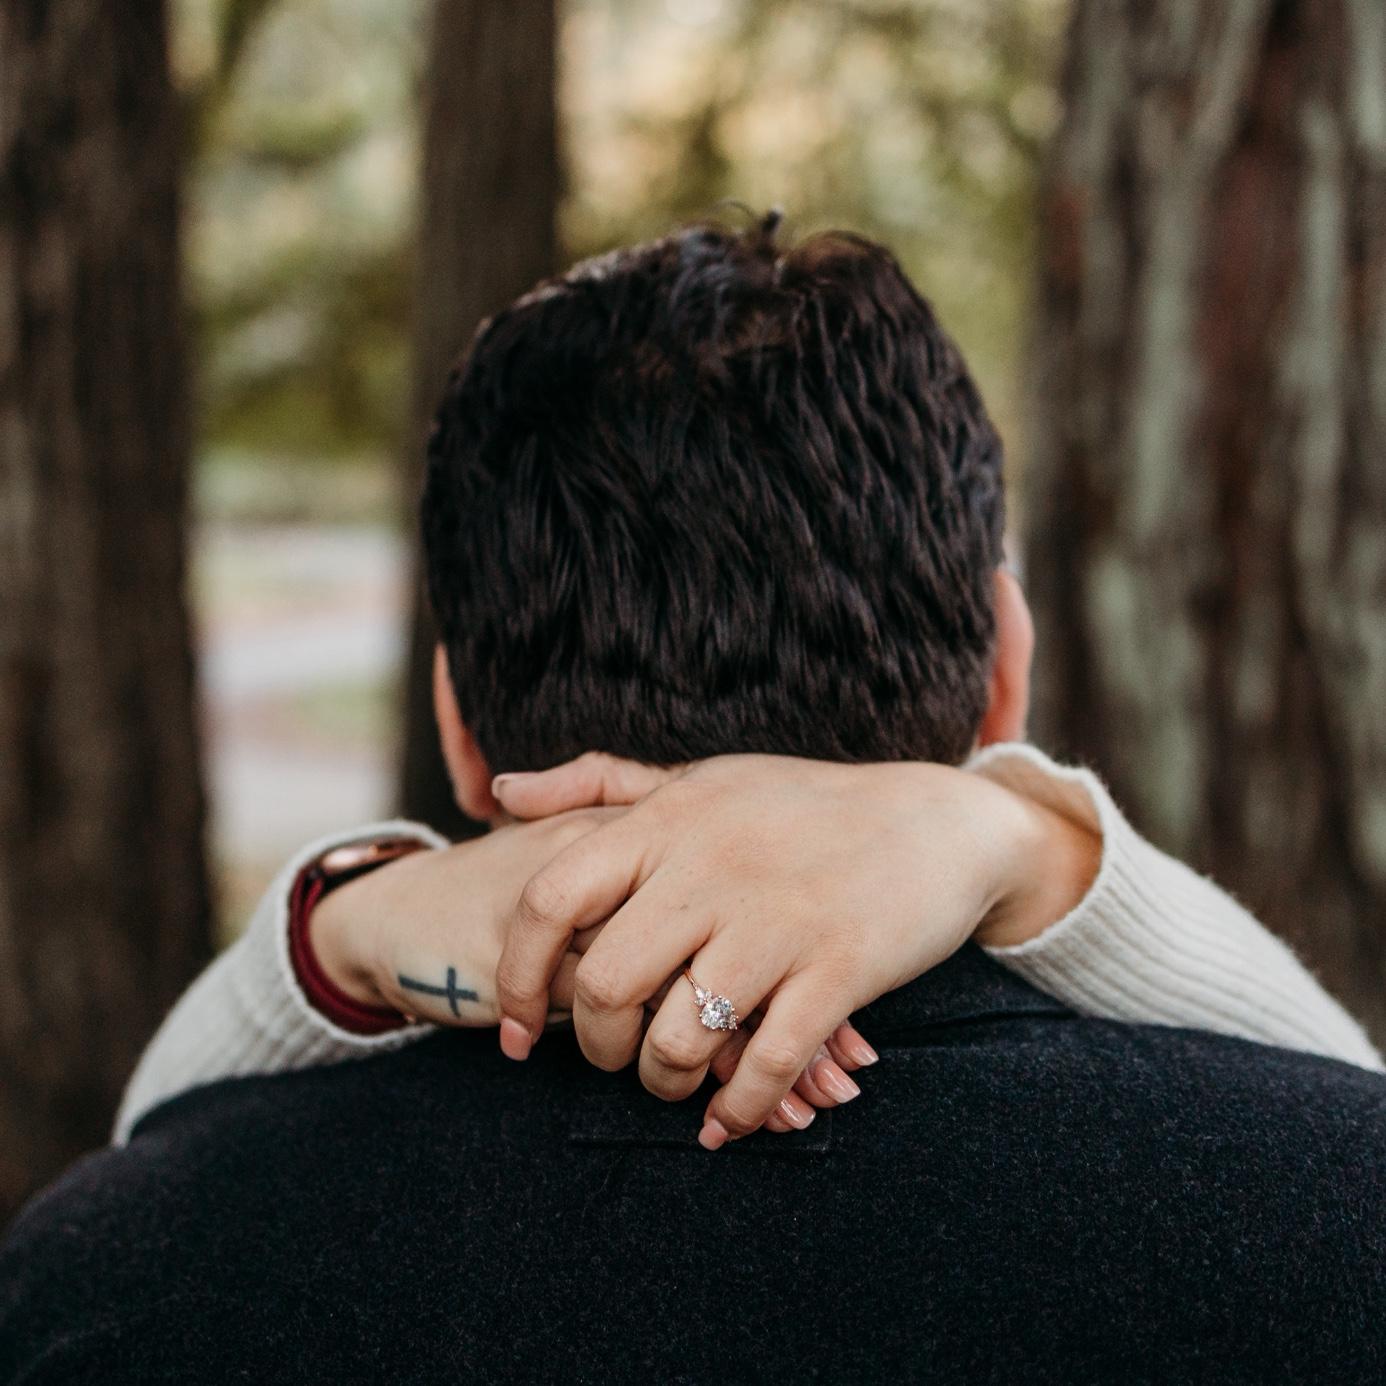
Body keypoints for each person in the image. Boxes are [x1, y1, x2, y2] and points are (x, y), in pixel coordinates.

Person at [4, 218, 1384, 1383]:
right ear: (1005, 670)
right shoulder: (1333, 1221)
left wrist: (341, 932)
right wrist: (1027, 841)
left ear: (457, 725)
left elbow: (155, 1130)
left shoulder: (93, 1277)